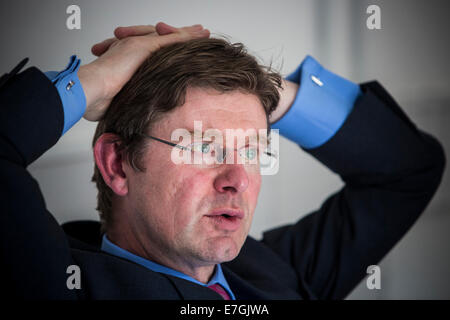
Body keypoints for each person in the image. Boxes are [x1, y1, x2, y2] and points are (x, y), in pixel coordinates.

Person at [0, 22, 445, 300]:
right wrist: (92, 81)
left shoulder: (278, 273)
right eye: (203, 148)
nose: (237, 180)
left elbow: (406, 170)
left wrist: (258, 86)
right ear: (117, 164)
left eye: (251, 150)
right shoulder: (55, 281)